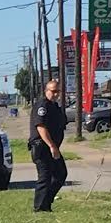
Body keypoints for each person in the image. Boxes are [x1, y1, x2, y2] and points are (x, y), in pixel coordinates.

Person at [29, 78, 69, 213]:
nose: (56, 94)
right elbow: (41, 127)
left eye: (58, 91)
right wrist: (52, 146)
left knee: (60, 174)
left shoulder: (55, 106)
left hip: (53, 147)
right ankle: (39, 207)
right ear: (46, 91)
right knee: (45, 177)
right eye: (53, 91)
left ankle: (46, 202)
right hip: (42, 147)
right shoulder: (42, 105)